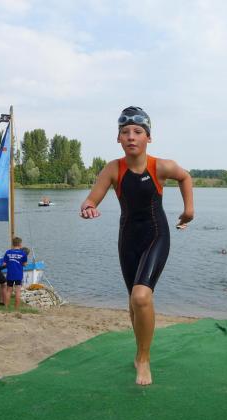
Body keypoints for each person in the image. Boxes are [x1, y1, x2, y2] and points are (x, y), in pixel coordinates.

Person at [79, 106, 194, 386]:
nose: (131, 136)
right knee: (133, 301)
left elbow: (185, 177)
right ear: (118, 138)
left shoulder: (160, 166)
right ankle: (140, 351)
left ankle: (144, 359)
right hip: (128, 239)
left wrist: (188, 211)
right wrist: (88, 207)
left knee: (141, 297)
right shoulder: (113, 169)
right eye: (125, 132)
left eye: (138, 132)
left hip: (156, 235)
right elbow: (91, 198)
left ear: (148, 137)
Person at [3, 237, 28, 311]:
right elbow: (25, 264)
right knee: (18, 291)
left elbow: (4, 264)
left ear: (13, 244)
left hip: (10, 274)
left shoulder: (8, 252)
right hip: (18, 274)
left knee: (9, 290)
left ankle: (6, 308)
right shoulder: (23, 254)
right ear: (20, 244)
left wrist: (10, 262)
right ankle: (16, 309)